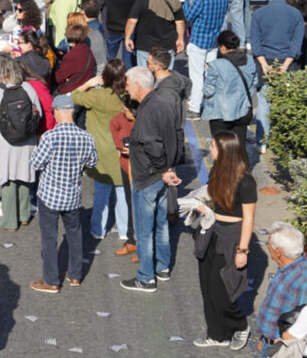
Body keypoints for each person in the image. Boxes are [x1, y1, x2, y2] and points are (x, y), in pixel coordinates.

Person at [192, 130, 256, 350]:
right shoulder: (217, 171)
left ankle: (239, 325)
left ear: (224, 150)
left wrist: (243, 250)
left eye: (213, 147)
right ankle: (216, 334)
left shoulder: (246, 181)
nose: (209, 149)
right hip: (211, 231)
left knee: (220, 288)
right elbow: (212, 198)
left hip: (231, 236)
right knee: (206, 286)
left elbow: (248, 218)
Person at [120, 66, 181, 293]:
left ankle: (146, 277)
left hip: (148, 176)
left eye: (127, 84)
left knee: (144, 230)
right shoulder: (163, 103)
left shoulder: (145, 111)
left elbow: (152, 144)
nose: (126, 88)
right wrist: (169, 167)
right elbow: (173, 136)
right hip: (162, 173)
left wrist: (163, 168)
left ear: (138, 85)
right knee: (162, 222)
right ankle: (162, 267)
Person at [28, 95, 98, 293]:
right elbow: (92, 163)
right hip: (73, 195)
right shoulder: (86, 137)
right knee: (75, 235)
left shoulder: (50, 137)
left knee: (49, 238)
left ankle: (51, 280)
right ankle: (75, 275)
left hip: (50, 195)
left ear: (56, 112)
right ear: (73, 112)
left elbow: (35, 163)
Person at [0, 55, 40, 231]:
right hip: (27, 139)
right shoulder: (27, 87)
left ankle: (10, 221)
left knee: (8, 178)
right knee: (24, 175)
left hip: (3, 141)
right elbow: (38, 113)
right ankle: (24, 215)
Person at [72, 60, 128, 243]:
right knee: (122, 193)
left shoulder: (97, 96)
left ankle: (98, 228)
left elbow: (73, 96)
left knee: (102, 193)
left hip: (100, 150)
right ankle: (124, 230)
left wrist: (88, 84)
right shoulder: (127, 97)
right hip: (121, 149)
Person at [252, 222, 307, 352]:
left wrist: (276, 345)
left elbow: (304, 320)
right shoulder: (286, 266)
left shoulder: (304, 279)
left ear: (279, 251)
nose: (267, 247)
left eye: (268, 244)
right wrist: (264, 339)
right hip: (268, 341)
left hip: (282, 347)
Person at [124, 0, 185, 69]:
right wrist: (180, 39)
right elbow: (180, 22)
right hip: (166, 45)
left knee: (145, 78)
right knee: (165, 77)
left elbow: (132, 21)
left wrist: (127, 38)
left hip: (145, 46)